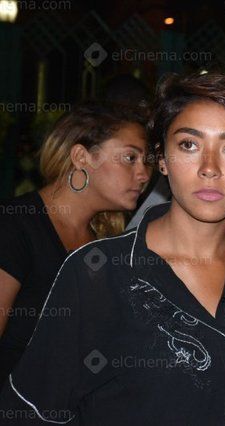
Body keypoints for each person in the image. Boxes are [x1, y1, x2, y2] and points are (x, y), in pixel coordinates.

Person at [0, 72, 225, 425]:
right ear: (162, 159)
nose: (209, 169)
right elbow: (32, 413)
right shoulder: (98, 272)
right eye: (189, 145)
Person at [0, 102, 150, 386]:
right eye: (130, 158)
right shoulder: (13, 226)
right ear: (82, 157)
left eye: (146, 161)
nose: (143, 174)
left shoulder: (105, 244)